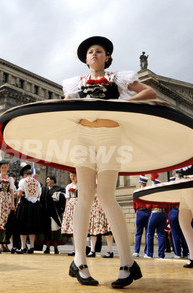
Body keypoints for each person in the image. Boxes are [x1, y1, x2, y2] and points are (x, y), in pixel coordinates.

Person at [63, 36, 156, 288]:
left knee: (106, 197)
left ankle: (127, 262)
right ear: (85, 59)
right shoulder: (75, 83)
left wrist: (121, 103)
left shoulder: (119, 78)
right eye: (90, 52)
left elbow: (149, 92)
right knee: (84, 196)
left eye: (99, 51)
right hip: (83, 136)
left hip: (110, 135)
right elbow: (66, 108)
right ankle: (79, 261)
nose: (94, 54)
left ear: (107, 56)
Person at [15, 164, 41, 254]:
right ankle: (32, 247)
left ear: (26, 174)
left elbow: (19, 193)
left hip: (25, 204)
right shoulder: (37, 182)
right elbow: (38, 195)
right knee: (32, 226)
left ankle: (23, 247)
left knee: (22, 225)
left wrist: (17, 194)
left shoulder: (23, 181)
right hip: (34, 205)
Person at [40, 175, 66, 254]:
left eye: (48, 180)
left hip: (55, 213)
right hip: (46, 213)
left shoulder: (59, 189)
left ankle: (56, 247)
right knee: (47, 231)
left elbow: (62, 200)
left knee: (55, 231)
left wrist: (61, 209)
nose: (47, 181)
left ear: (53, 180)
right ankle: (47, 247)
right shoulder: (44, 189)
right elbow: (41, 200)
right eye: (47, 180)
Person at [144, 174, 168, 259]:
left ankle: (149, 254)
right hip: (163, 214)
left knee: (150, 234)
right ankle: (161, 254)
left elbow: (148, 205)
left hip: (155, 213)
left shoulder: (153, 193)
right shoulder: (163, 194)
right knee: (161, 234)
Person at [87, 194, 114, 258]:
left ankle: (110, 251)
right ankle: (92, 250)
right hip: (95, 206)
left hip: (104, 204)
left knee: (107, 230)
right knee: (93, 229)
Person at [133, 176, 151, 257]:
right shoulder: (148, 192)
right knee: (148, 232)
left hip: (139, 212)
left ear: (140, 183)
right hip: (147, 212)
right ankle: (146, 252)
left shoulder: (136, 192)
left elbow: (134, 204)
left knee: (138, 233)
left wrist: (137, 211)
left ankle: (136, 251)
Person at [61, 171, 78, 256]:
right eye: (71, 176)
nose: (72, 177)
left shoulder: (80, 185)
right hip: (71, 206)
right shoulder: (68, 186)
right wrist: (66, 209)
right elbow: (67, 199)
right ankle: (75, 248)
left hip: (78, 204)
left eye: (74, 175)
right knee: (72, 228)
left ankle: (80, 248)